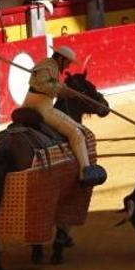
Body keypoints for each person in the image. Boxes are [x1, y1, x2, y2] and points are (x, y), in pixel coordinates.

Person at [22, 45, 107, 187]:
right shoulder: (47, 65)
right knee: (76, 133)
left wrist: (64, 90)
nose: (68, 65)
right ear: (60, 58)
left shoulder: (50, 66)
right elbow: (43, 86)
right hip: (42, 107)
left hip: (32, 104)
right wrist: (62, 90)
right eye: (67, 62)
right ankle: (85, 171)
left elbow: (48, 84)